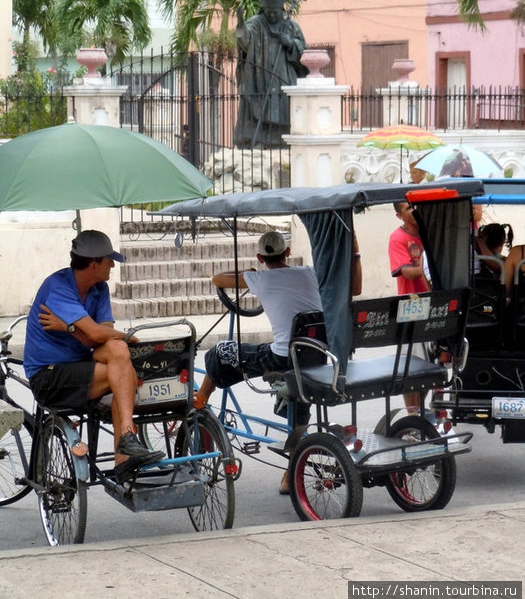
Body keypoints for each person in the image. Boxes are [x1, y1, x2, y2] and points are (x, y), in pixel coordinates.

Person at [194, 229, 362, 493]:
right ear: (287, 253)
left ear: (261, 257)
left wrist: (249, 271)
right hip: (314, 355)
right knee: (297, 386)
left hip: (281, 358)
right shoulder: (308, 272)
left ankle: (200, 400)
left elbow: (217, 278)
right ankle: (289, 474)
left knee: (219, 352)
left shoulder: (259, 279)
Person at [23, 230, 165, 479]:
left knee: (118, 352)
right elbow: (98, 335)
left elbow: (104, 335)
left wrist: (70, 327)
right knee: (121, 370)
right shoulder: (58, 287)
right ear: (93, 264)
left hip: (81, 367)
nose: (112, 264)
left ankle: (126, 444)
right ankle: (127, 441)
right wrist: (124, 336)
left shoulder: (99, 289)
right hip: (49, 377)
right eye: (109, 260)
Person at [234, 0, 308, 149]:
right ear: (264, 8)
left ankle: (283, 141)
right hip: (259, 77)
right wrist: (240, 24)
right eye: (269, 12)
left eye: (275, 12)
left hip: (284, 75)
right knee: (257, 106)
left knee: (284, 107)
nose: (272, 15)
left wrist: (290, 43)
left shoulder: (291, 26)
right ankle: (257, 140)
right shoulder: (256, 23)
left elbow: (304, 52)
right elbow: (245, 42)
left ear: (281, 8)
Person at [388, 202, 430, 415]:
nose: (414, 210)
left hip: (433, 305)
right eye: (408, 208)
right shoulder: (398, 238)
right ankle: (412, 415)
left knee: (428, 366)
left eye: (415, 205)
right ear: (398, 215)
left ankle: (421, 412)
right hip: (411, 305)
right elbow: (407, 272)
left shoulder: (429, 231)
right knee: (409, 366)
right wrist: (424, 266)